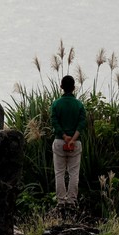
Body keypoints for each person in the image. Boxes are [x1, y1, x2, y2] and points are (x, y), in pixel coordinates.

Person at [50, 75, 87, 209]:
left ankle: (61, 201)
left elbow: (54, 122)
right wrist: (73, 138)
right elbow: (82, 123)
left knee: (59, 172)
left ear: (61, 87)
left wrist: (65, 137)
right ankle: (71, 201)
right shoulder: (79, 105)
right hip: (75, 143)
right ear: (73, 88)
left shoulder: (56, 104)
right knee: (73, 173)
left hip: (60, 141)